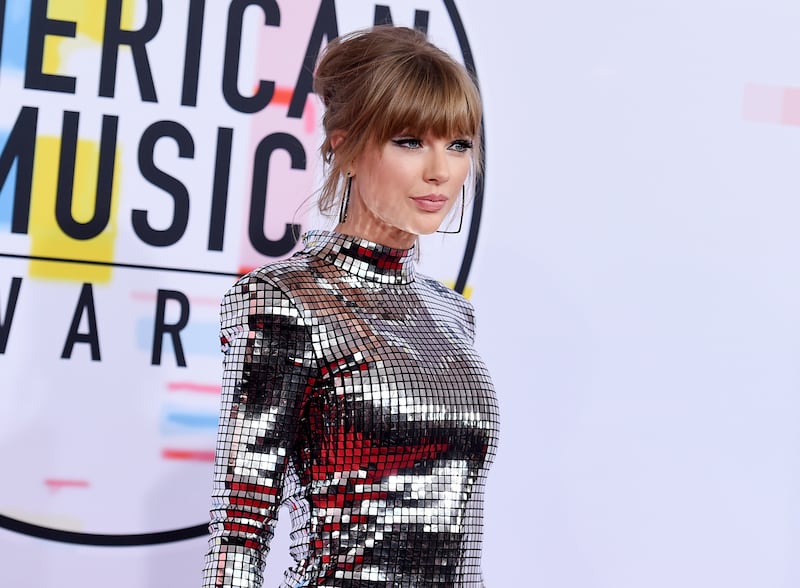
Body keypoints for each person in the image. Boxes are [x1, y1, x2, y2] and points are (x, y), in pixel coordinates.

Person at [202, 25, 499, 587]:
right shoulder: (283, 298)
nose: (441, 170)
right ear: (344, 144)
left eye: (457, 144)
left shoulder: (452, 313)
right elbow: (240, 524)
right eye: (410, 141)